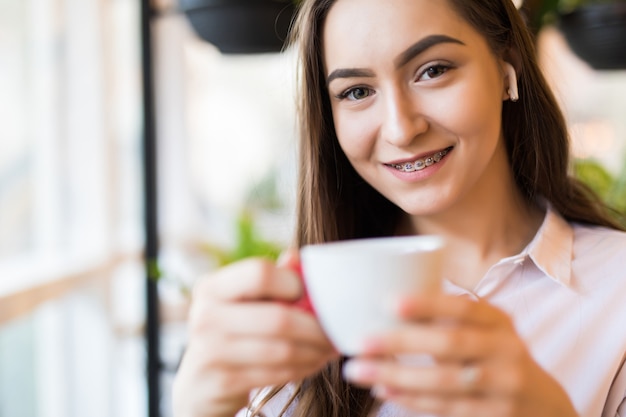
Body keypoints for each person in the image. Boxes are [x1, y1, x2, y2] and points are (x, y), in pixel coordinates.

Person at [172, 0, 626, 416]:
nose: (401, 129)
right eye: (355, 92)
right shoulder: (297, 319)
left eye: (432, 70)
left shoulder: (616, 289)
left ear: (507, 64)